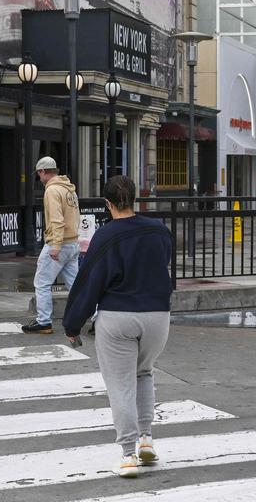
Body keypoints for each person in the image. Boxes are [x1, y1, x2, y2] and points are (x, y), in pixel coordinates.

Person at [63, 175, 173, 479]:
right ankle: (146, 439)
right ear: (136, 199)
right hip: (157, 315)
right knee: (144, 373)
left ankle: (127, 455)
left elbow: (89, 283)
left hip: (118, 316)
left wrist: (73, 323)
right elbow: (163, 263)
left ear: (107, 203)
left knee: (120, 385)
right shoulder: (159, 230)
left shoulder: (107, 236)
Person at [22, 156, 80, 334]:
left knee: (42, 283)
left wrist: (55, 246)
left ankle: (44, 321)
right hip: (73, 242)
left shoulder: (52, 190)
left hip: (59, 244)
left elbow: (56, 219)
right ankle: (96, 317)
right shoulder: (69, 189)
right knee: (77, 285)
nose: (39, 178)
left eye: (39, 174)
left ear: (42, 172)